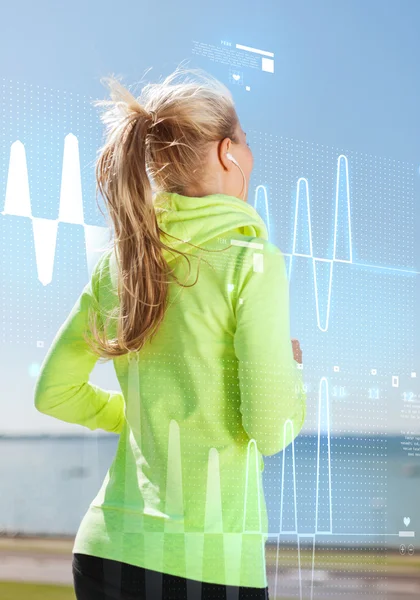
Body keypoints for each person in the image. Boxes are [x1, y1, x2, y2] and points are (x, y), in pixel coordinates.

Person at [34, 64, 307, 600]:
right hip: (208, 568)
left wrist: (142, 413)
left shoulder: (122, 264)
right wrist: (290, 375)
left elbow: (53, 393)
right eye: (246, 142)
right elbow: (271, 430)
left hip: (105, 554)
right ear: (229, 152)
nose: (251, 155)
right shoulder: (252, 262)